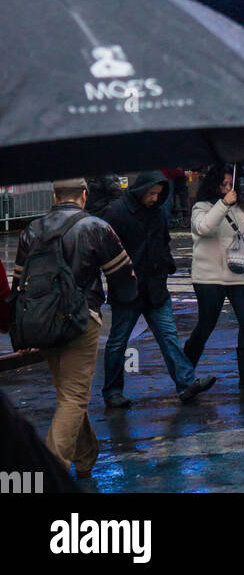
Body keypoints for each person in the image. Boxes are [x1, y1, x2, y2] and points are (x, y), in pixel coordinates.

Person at [12, 177, 135, 482]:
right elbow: (124, 277)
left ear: (54, 196)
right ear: (83, 195)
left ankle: (85, 456)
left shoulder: (31, 230)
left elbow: (18, 284)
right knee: (73, 397)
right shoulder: (96, 227)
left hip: (41, 322)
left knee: (68, 392)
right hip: (82, 319)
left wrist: (20, 329)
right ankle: (50, 476)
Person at [101, 171, 216, 408]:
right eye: (152, 193)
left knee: (168, 337)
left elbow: (163, 243)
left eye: (158, 194)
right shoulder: (117, 213)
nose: (155, 198)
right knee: (118, 341)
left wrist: (166, 265)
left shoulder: (156, 213)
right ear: (140, 190)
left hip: (154, 286)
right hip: (128, 288)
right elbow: (104, 249)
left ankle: (186, 383)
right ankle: (112, 391)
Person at [183, 164, 244, 389]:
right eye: (224, 185)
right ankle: (184, 372)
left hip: (240, 275)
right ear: (214, 185)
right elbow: (205, 228)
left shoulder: (236, 206)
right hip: (210, 278)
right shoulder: (201, 207)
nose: (228, 189)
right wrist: (223, 204)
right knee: (206, 324)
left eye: (231, 185)